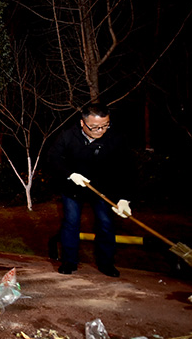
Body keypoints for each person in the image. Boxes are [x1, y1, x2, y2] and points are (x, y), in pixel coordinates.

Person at [47, 104, 132, 277]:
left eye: (105, 125)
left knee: (106, 224)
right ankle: (69, 263)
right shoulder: (68, 136)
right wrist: (70, 174)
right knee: (71, 223)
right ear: (82, 123)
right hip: (74, 187)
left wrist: (124, 198)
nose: (100, 130)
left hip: (102, 189)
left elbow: (126, 168)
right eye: (94, 127)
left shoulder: (116, 138)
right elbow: (53, 159)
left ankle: (107, 263)